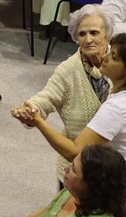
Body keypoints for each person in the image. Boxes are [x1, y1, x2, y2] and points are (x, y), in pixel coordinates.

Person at [21, 32, 126, 217]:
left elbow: (74, 152)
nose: (105, 57)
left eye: (114, 57)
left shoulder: (117, 107)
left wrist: (39, 122)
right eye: (110, 52)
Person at [14, 7, 114, 140]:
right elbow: (47, 97)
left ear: (107, 35)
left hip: (120, 148)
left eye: (94, 33)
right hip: (79, 149)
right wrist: (31, 108)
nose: (88, 40)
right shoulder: (68, 69)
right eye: (82, 34)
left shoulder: (124, 60)